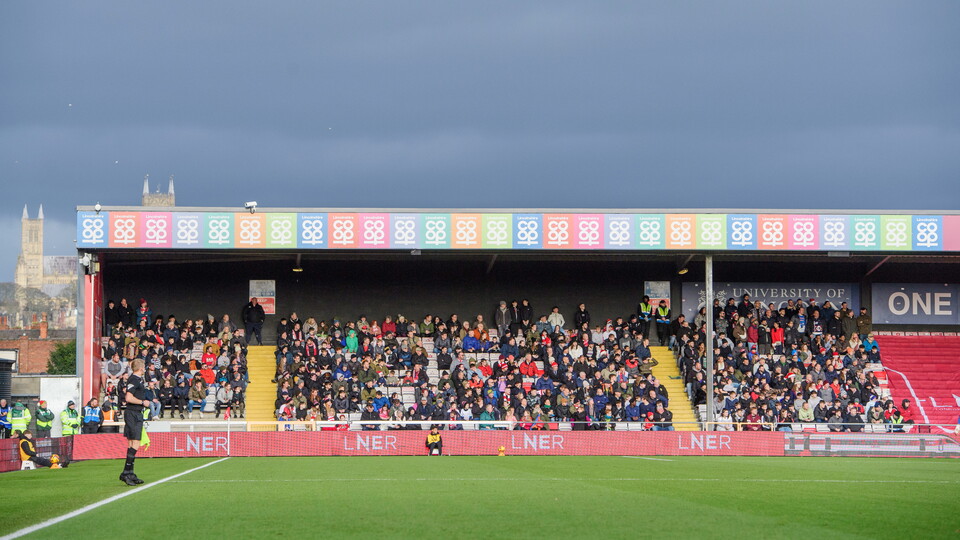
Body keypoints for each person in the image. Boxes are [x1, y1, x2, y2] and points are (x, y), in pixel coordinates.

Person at [120, 358, 148, 486]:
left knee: (132, 443)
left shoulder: (136, 380)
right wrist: (142, 402)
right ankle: (126, 472)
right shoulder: (134, 380)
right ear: (141, 368)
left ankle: (129, 472)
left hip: (134, 413)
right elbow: (128, 397)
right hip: (133, 413)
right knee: (135, 442)